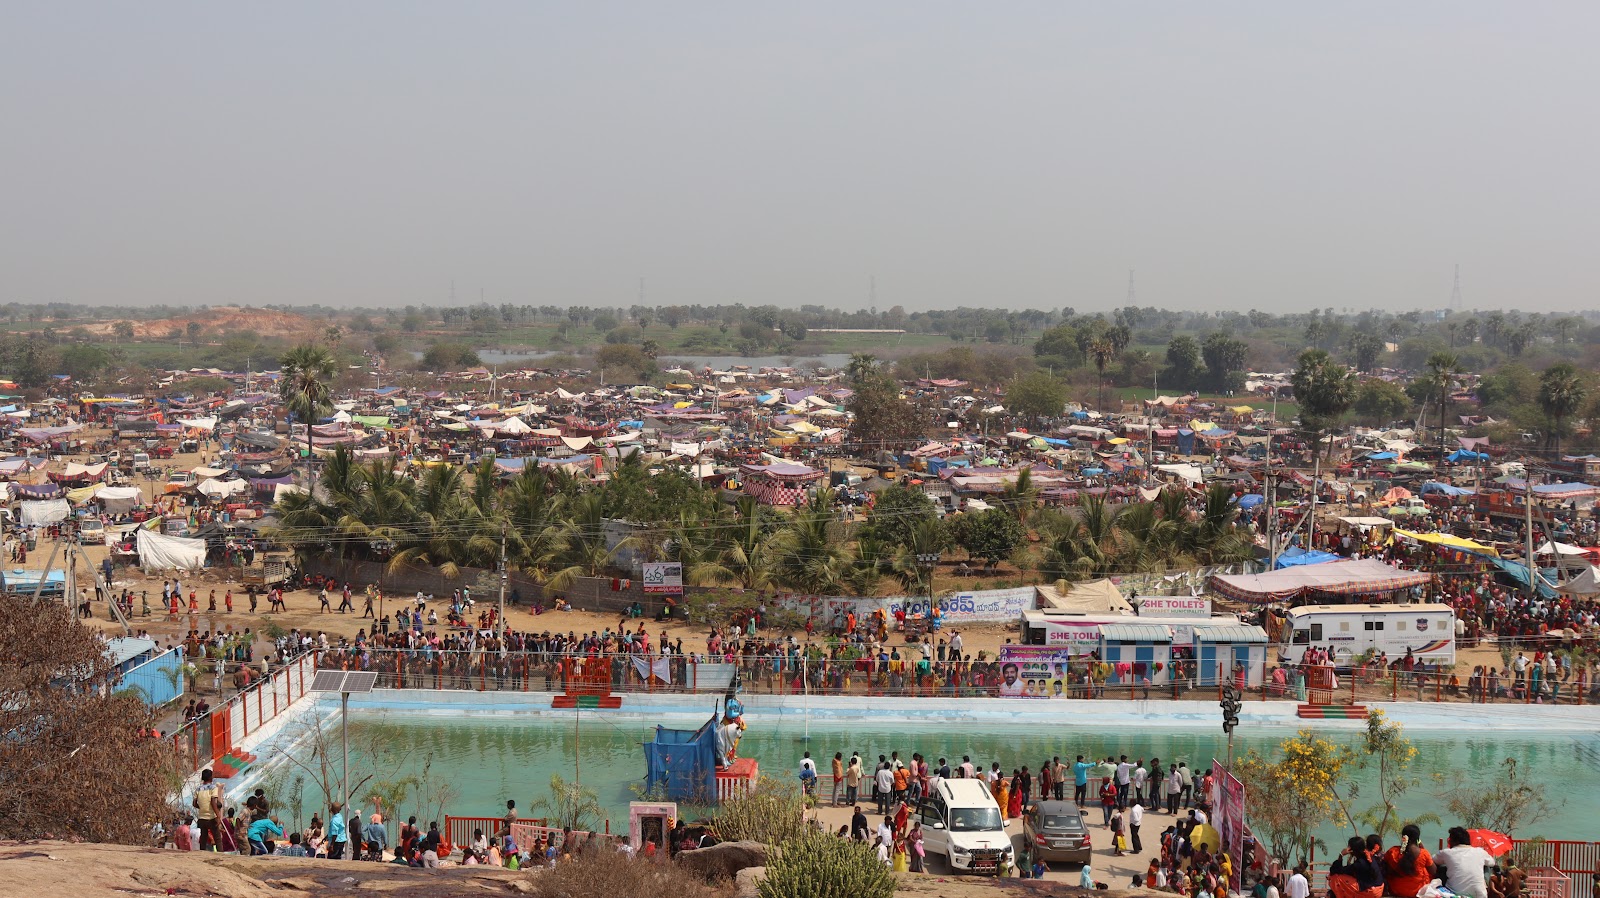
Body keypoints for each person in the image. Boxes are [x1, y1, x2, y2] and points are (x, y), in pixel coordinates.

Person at [1434, 826, 1495, 898]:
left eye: (1449, 840)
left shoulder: (1447, 852)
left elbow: (1432, 860)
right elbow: (1492, 863)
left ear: (1455, 841)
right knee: (1486, 866)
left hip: (1454, 893)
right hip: (1480, 895)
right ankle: (1483, 887)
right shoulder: (1480, 851)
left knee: (1442, 867)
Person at [1382, 825, 1434, 898]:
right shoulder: (1423, 853)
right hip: (1417, 890)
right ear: (1417, 839)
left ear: (1403, 837)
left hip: (1396, 889)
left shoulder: (1392, 851)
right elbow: (1434, 871)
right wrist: (1422, 847)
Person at [193, 769, 223, 851]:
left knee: (203, 838)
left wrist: (202, 807)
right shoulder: (213, 788)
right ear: (211, 777)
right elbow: (213, 803)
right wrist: (218, 815)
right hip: (211, 817)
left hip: (201, 818)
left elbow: (194, 803)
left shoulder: (198, 789)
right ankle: (221, 856)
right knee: (217, 838)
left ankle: (202, 854)